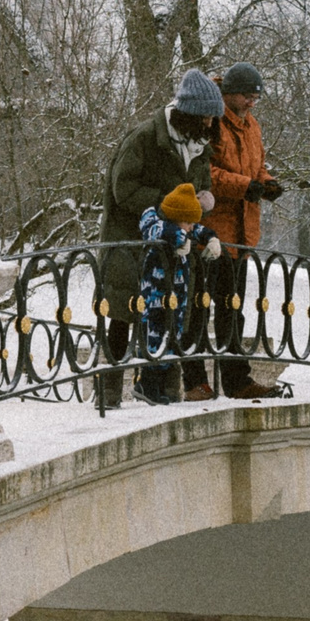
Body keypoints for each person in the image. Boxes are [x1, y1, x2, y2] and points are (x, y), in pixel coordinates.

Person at [95, 70, 224, 408]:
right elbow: (123, 189)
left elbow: (199, 187)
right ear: (188, 114)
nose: (210, 124)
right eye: (206, 117)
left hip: (173, 249)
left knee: (170, 314)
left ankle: (163, 391)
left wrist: (203, 201)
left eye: (213, 118)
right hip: (130, 242)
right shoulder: (144, 139)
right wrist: (169, 205)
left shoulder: (199, 146)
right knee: (122, 313)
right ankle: (108, 394)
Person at [199, 62, 283, 399]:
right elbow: (205, 173)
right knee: (201, 307)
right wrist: (246, 186)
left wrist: (266, 182)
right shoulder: (212, 121)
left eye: (255, 98)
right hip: (211, 232)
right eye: (247, 96)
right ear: (230, 93)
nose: (251, 102)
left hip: (241, 234)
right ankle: (197, 380)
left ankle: (236, 380)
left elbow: (256, 167)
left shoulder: (252, 126)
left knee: (232, 308)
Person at [135, 183, 222, 403]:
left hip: (176, 295)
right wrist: (179, 238)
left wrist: (211, 238)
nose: (191, 228)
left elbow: (197, 229)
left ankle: (160, 385)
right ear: (176, 217)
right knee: (155, 334)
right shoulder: (154, 221)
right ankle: (147, 383)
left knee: (173, 334)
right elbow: (157, 229)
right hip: (156, 295)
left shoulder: (182, 225)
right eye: (188, 223)